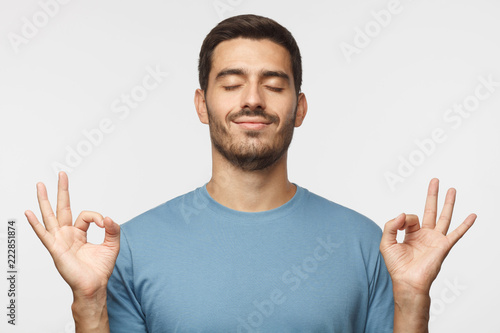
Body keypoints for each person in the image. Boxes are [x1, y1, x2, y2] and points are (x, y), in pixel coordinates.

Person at [25, 14, 477, 332]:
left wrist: (414, 296)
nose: (254, 99)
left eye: (274, 84)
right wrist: (87, 302)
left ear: (298, 108)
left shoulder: (367, 245)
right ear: (202, 105)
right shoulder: (128, 248)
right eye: (232, 83)